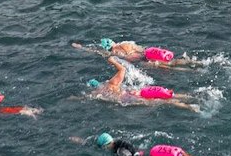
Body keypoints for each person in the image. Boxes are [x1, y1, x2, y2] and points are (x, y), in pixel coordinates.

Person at [86, 60, 201, 111]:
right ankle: (190, 96)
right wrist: (113, 61)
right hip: (134, 92)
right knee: (165, 94)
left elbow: (85, 98)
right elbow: (123, 69)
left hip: (128, 99)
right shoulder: (112, 83)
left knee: (160, 101)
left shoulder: (98, 93)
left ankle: (188, 107)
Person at [74, 40, 202, 70]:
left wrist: (82, 48)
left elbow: (96, 51)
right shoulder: (126, 43)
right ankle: (196, 62)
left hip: (139, 60)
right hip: (146, 52)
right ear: (112, 41)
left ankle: (187, 71)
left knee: (164, 67)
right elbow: (139, 48)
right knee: (172, 61)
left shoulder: (112, 52)